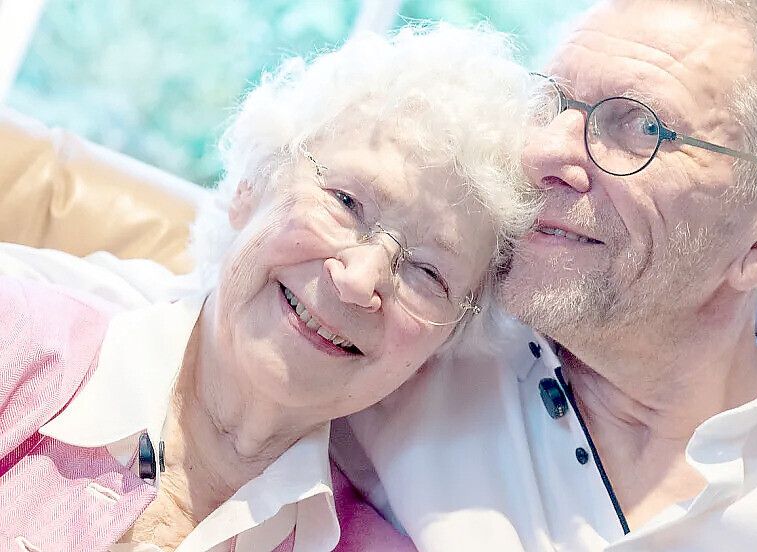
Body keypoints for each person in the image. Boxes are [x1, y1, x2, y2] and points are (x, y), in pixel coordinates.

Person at [3, 1, 757, 551]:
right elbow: (192, 324)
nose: (552, 150)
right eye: (553, 101)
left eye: (635, 126)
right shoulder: (414, 339)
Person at [0, 24, 537, 552]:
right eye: (346, 203)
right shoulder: (16, 343)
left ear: (437, 350)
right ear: (250, 185)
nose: (358, 279)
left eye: (427, 273)